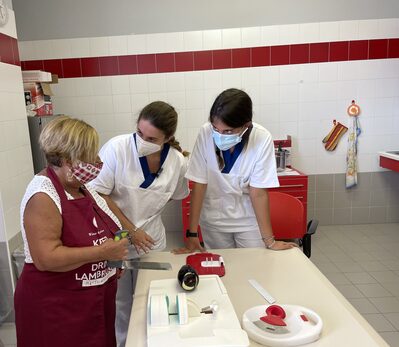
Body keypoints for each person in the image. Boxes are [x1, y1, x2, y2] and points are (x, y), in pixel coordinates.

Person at [14, 116, 129, 347]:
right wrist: (102, 253)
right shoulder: (43, 195)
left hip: (93, 305)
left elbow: (110, 230)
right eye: (90, 156)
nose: (98, 161)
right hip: (57, 308)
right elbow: (46, 258)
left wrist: (114, 264)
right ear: (67, 159)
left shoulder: (83, 189)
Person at [88, 101, 189, 347]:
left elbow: (173, 196)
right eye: (140, 133)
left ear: (169, 137)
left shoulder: (176, 161)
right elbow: (98, 193)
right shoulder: (117, 148)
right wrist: (130, 230)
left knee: (152, 298)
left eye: (152, 138)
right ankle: (124, 343)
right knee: (121, 302)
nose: (143, 140)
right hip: (117, 238)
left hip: (151, 240)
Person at [174, 88, 297, 252]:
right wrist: (192, 233)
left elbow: (258, 192)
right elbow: (199, 184)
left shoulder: (261, 138)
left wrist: (270, 241)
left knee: (254, 268)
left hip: (248, 221)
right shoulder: (205, 132)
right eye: (216, 129)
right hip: (213, 220)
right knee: (223, 268)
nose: (220, 136)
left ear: (246, 125)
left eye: (228, 131)